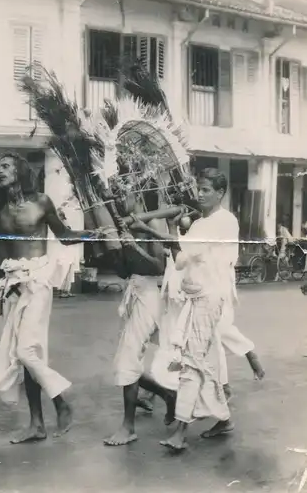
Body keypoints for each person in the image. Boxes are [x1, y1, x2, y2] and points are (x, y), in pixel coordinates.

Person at [0, 152, 101, 444]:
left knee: (27, 351)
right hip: (13, 284)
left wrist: (93, 234)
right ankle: (37, 425)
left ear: (19, 171)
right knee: (26, 355)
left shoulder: (41, 201)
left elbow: (64, 235)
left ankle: (60, 400)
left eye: (5, 166)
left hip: (39, 282)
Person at [157, 168, 245, 451]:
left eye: (207, 189)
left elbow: (184, 255)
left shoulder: (223, 221)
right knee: (197, 360)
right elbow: (180, 260)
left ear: (221, 193)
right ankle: (224, 418)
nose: (200, 194)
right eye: (199, 188)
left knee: (192, 363)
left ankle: (180, 431)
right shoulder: (200, 224)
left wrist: (166, 230)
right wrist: (171, 232)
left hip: (210, 298)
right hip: (195, 299)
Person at [103, 188, 173, 447]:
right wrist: (113, 251)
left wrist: (133, 247)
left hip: (151, 295)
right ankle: (168, 395)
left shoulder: (152, 222)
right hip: (133, 292)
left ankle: (128, 427)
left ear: (138, 195)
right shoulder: (123, 223)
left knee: (127, 360)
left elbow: (158, 267)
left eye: (125, 193)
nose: (120, 198)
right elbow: (124, 272)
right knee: (128, 360)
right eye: (117, 195)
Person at [54, 208, 78, 298]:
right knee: (64, 271)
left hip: (69, 250)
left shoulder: (66, 224)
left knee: (70, 271)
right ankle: (61, 290)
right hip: (63, 251)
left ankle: (67, 290)